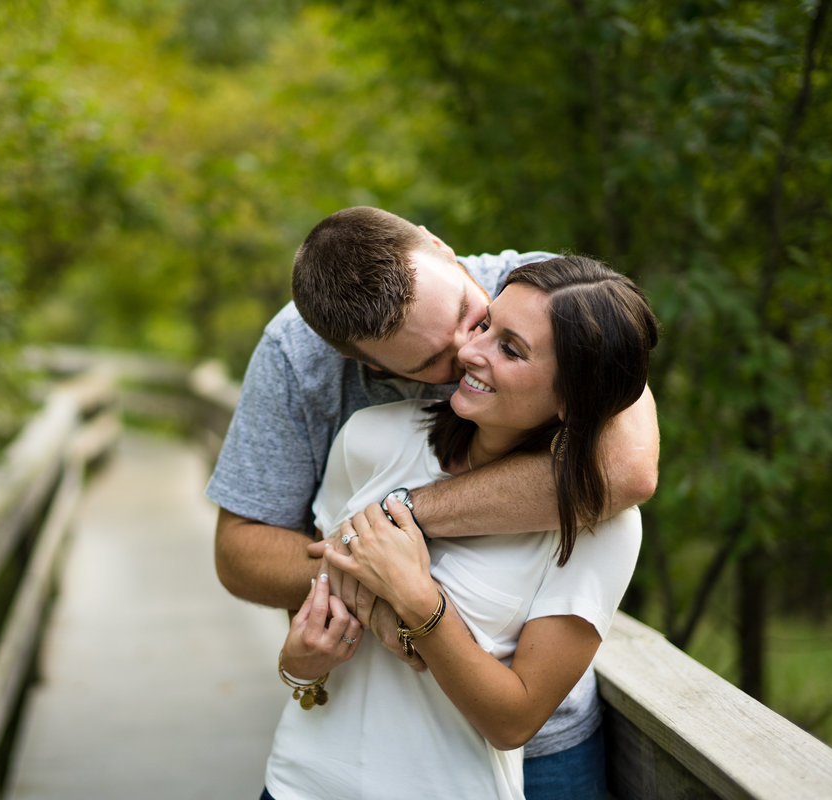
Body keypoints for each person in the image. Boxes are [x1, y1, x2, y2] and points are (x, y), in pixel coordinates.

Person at [206, 207, 660, 796]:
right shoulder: (344, 403)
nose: (469, 352)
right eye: (433, 363)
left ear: (443, 250)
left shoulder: (546, 294)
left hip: (535, 753)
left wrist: (398, 524)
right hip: (328, 764)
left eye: (479, 319)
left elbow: (622, 472)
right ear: (368, 366)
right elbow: (242, 551)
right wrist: (376, 591)